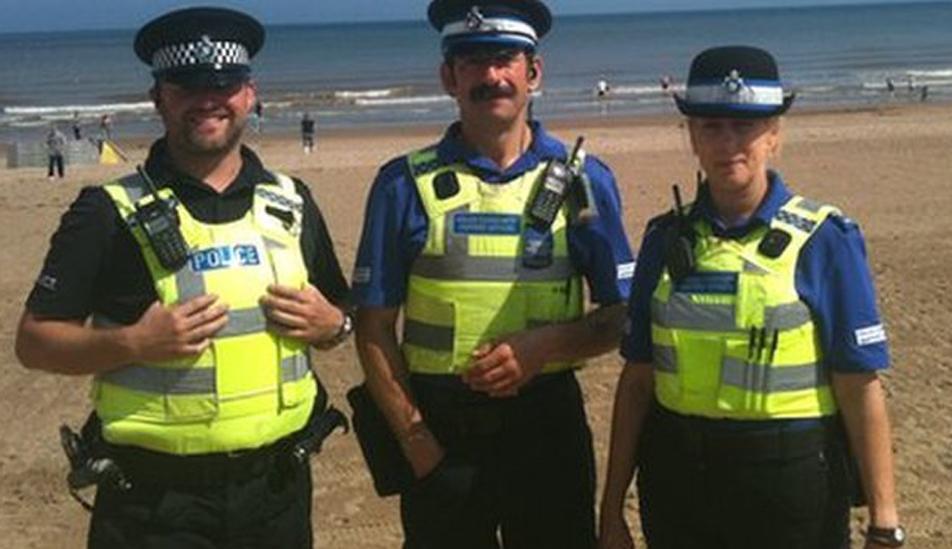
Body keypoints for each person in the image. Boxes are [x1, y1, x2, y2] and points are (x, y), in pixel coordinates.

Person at [15, 7, 353, 548]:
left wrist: (335, 325)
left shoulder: (292, 202)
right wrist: (132, 343)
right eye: (187, 85)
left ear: (248, 94)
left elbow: (342, 314)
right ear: (159, 98)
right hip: (153, 504)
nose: (207, 99)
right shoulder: (106, 210)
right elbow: (34, 344)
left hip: (278, 493)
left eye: (223, 84)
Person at [352, 1, 634, 547]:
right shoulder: (401, 185)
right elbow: (374, 328)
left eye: (505, 60)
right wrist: (417, 444)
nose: (491, 76)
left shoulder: (584, 181)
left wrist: (547, 345)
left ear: (534, 73)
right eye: (472, 61)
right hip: (439, 431)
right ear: (448, 77)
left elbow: (624, 315)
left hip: (548, 428)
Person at [599, 46, 903, 549]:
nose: (729, 143)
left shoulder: (825, 240)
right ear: (692, 137)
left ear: (775, 136)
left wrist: (884, 522)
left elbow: (859, 386)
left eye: (746, 126)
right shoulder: (663, 239)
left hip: (791, 491)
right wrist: (611, 511)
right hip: (678, 485)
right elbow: (636, 384)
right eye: (712, 126)